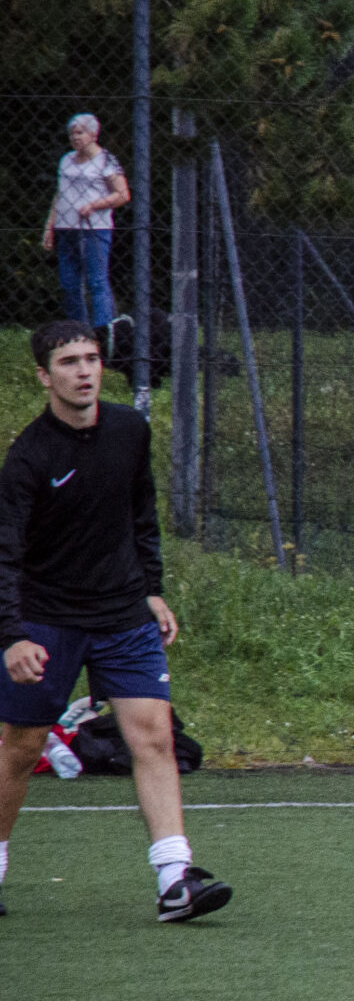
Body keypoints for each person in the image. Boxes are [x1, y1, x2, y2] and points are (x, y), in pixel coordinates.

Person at [0, 321, 227, 923]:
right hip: (46, 620)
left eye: (92, 358)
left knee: (153, 736)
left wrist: (151, 590)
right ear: (44, 376)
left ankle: (175, 879)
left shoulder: (129, 429)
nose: (84, 371)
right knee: (20, 749)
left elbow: (140, 512)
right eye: (68, 362)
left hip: (123, 613)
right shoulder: (29, 457)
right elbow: (5, 553)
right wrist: (12, 635)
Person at [42, 115, 130, 332]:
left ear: (93, 134)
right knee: (69, 284)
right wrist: (50, 225)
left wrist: (95, 205)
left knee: (96, 282)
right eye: (72, 133)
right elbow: (60, 194)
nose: (75, 137)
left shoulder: (105, 160)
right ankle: (79, 330)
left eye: (80, 132)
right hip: (66, 229)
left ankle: (103, 332)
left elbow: (122, 194)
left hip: (94, 229)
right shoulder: (66, 160)